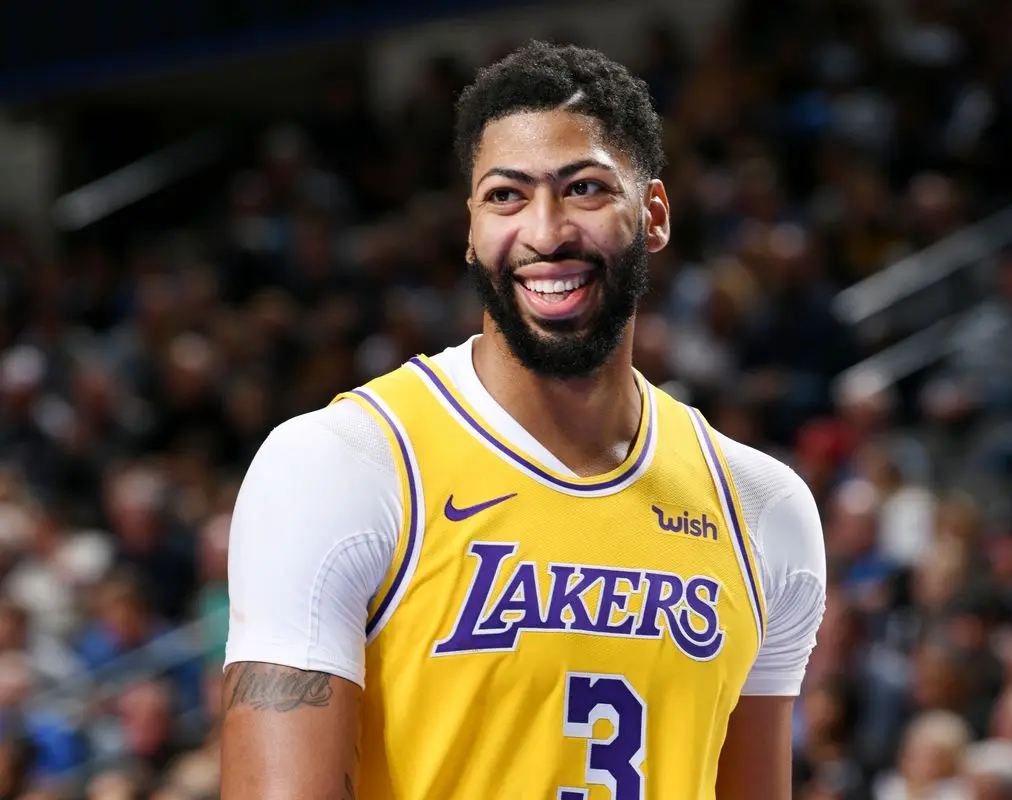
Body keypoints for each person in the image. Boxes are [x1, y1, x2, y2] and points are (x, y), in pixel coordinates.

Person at [219, 40, 827, 800]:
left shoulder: (762, 508)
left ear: (654, 215)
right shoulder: (342, 463)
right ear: (470, 230)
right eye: (506, 196)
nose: (545, 232)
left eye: (585, 189)